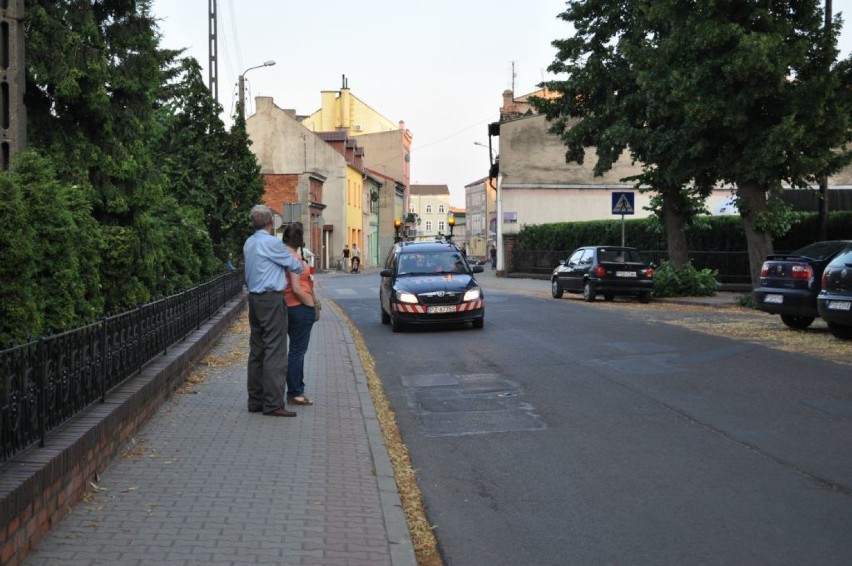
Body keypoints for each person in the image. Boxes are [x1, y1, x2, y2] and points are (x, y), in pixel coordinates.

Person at [243, 205, 304, 417]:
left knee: (257, 349)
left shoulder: (249, 243)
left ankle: (256, 400)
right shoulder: (272, 243)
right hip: (271, 299)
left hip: (254, 299)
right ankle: (273, 403)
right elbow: (295, 266)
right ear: (271, 222)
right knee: (275, 351)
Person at [282, 222, 317, 407]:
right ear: (299, 238)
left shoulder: (283, 254)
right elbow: (296, 288)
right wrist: (310, 304)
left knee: (296, 351)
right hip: (299, 308)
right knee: (297, 352)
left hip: (288, 307)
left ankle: (297, 389)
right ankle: (295, 393)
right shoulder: (293, 258)